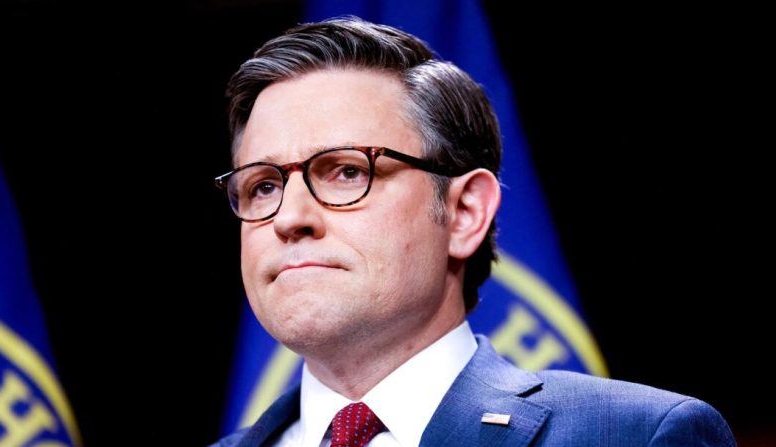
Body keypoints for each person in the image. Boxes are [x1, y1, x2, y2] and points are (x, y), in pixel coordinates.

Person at [209, 15, 735, 447]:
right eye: (262, 186)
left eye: (348, 171)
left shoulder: (635, 436)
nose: (288, 217)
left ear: (463, 213)